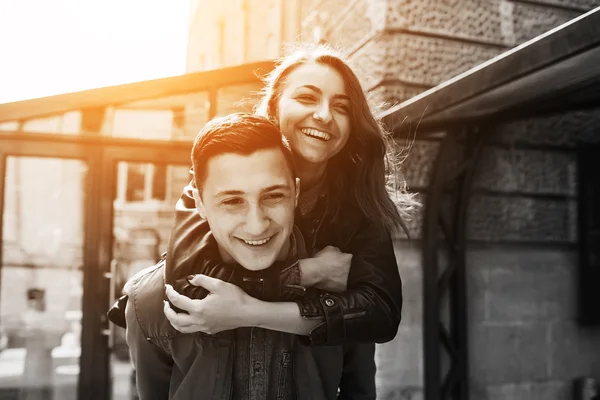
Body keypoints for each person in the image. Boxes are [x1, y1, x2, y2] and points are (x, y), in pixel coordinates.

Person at [162, 43, 418, 393]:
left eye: (341, 107)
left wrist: (251, 310)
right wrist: (305, 273)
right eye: (308, 98)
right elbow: (187, 285)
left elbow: (380, 313)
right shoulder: (221, 175)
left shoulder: (358, 199)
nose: (325, 115)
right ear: (274, 107)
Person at [125, 113, 367, 399]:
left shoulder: (343, 289)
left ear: (296, 193)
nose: (256, 224)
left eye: (273, 196)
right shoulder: (150, 300)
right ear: (199, 203)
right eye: (232, 201)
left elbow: (360, 391)